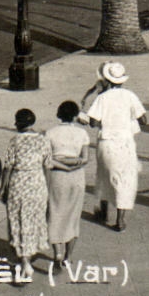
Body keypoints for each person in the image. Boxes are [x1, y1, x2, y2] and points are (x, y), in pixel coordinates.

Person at [86, 60, 147, 232]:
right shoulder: (130, 96)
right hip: (125, 142)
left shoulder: (102, 98)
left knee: (104, 175)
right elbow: (143, 119)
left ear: (107, 80)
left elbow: (92, 121)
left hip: (106, 142)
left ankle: (104, 210)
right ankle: (120, 219)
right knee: (126, 180)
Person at [1, 108, 49, 283]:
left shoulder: (14, 141)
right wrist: (47, 189)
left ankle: (24, 260)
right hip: (37, 183)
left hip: (18, 184)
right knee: (33, 219)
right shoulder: (43, 141)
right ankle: (28, 256)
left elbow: (8, 167)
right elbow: (47, 166)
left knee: (18, 220)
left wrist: (3, 188)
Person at [44, 100, 92, 266]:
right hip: (76, 177)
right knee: (73, 216)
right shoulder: (82, 134)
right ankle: (68, 256)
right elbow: (85, 159)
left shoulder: (50, 133)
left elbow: (48, 159)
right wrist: (73, 164)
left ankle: (57, 252)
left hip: (57, 176)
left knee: (55, 213)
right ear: (75, 116)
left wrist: (61, 163)